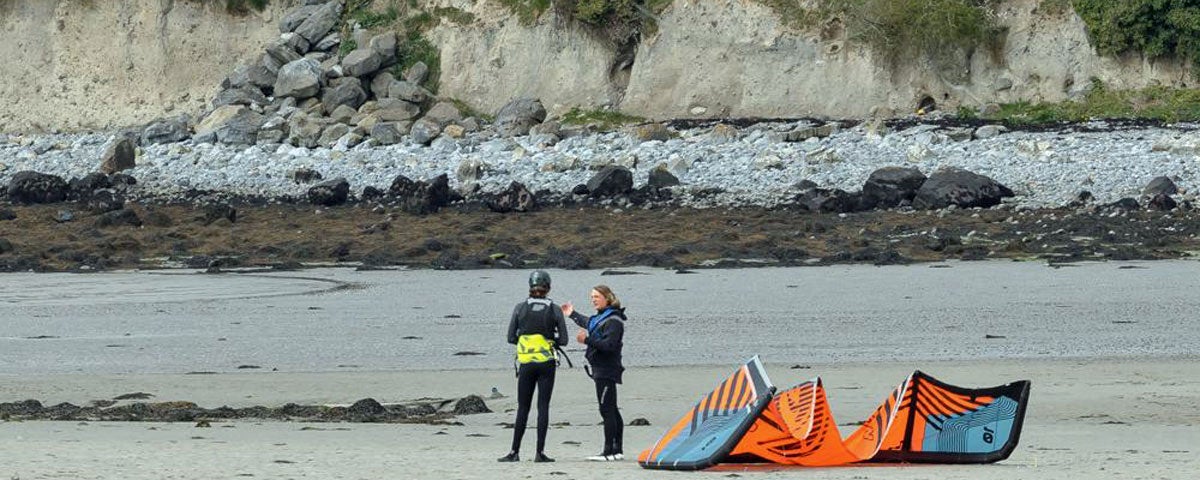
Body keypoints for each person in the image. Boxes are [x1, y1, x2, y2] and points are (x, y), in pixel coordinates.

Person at [498, 270, 569, 463]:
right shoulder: (554, 309)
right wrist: (549, 338)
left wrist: (527, 338)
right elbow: (564, 340)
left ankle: (514, 452)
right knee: (543, 407)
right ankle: (540, 453)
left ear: (530, 287)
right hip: (546, 364)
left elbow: (510, 337)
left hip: (526, 363)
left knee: (523, 407)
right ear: (548, 287)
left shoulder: (520, 308)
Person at [563, 285, 626, 461]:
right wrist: (572, 314)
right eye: (592, 297)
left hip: (607, 369)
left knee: (606, 409)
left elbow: (609, 346)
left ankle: (608, 452)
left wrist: (587, 340)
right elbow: (588, 322)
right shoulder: (602, 317)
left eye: (597, 296)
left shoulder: (613, 320)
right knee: (612, 408)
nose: (593, 300)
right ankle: (617, 450)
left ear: (607, 298)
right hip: (600, 368)